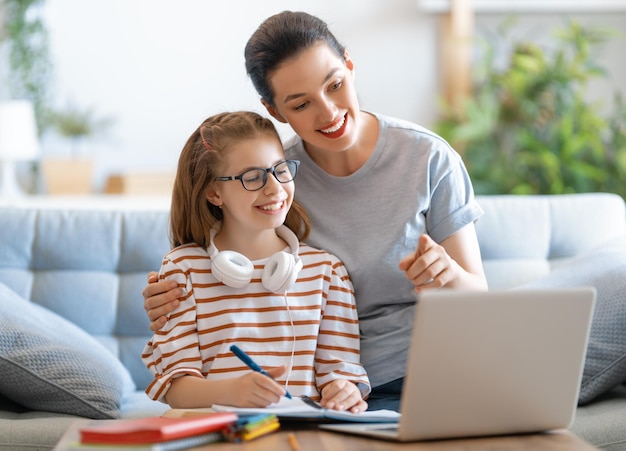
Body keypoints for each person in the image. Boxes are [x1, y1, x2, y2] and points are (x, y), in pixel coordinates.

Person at [143, 11, 487, 411]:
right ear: (275, 110)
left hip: (436, 370)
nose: (327, 113)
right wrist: (168, 298)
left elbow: (477, 296)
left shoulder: (429, 158)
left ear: (350, 65)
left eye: (335, 85)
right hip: (344, 389)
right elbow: (218, 271)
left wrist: (448, 276)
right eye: (301, 103)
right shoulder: (273, 177)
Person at [142, 111, 370, 413]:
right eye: (253, 177)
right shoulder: (184, 270)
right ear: (214, 193)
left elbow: (339, 372)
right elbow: (177, 389)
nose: (274, 188)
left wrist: (344, 390)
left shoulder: (326, 272)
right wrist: (233, 392)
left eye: (281, 170)